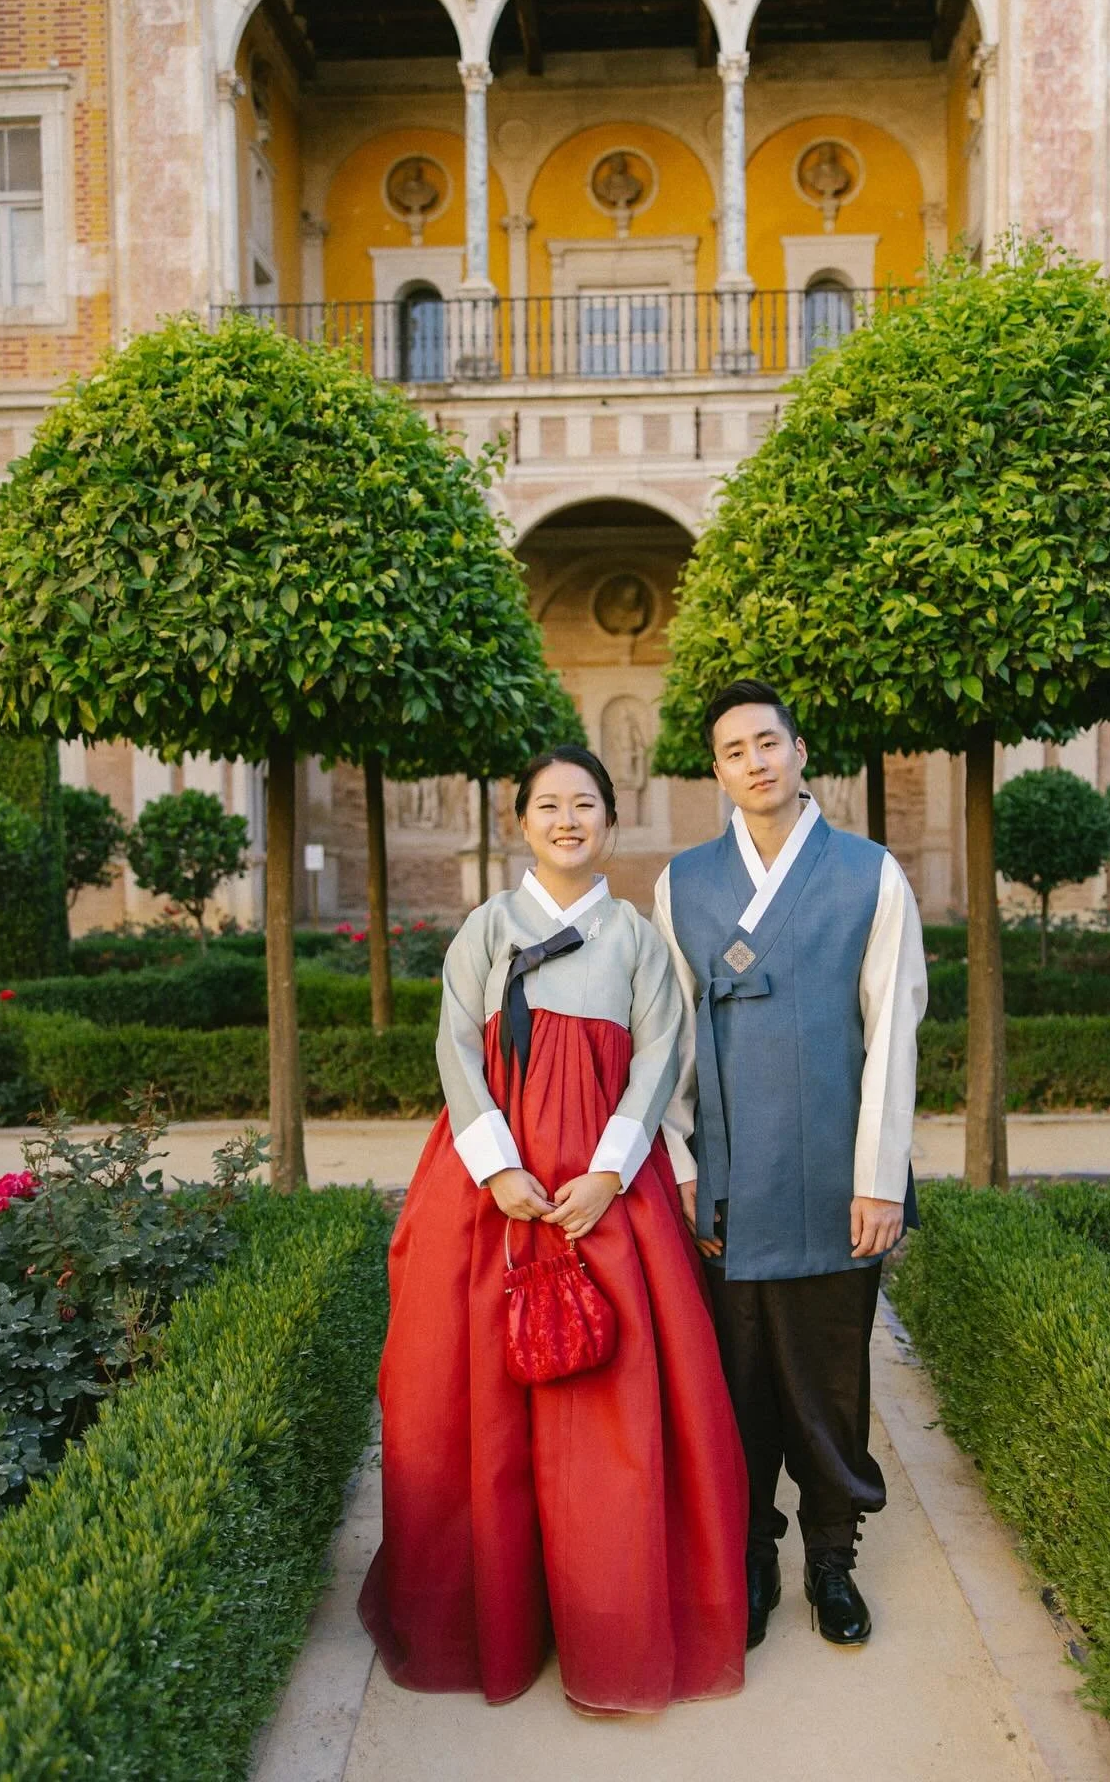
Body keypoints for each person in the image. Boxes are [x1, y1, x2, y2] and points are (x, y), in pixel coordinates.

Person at [359, 745, 747, 1715]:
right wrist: (498, 1168)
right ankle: (497, 1621)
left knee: (610, 1414)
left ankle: (608, 1628)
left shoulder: (636, 941)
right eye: (548, 806)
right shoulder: (486, 929)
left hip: (604, 1198)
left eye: (585, 805)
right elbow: (455, 1048)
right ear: (520, 823)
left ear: (611, 820)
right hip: (490, 1196)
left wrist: (610, 1172)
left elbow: (660, 1059)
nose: (568, 820)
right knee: (471, 1412)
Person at [651, 681, 927, 1651]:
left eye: (768, 743)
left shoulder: (868, 875)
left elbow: (893, 1031)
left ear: (800, 751)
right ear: (717, 771)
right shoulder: (684, 883)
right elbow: (669, 1040)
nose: (755, 762)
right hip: (728, 1183)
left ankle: (832, 1558)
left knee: (830, 1381)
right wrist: (680, 1163)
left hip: (835, 1184)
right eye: (734, 751)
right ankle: (751, 1555)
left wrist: (880, 1178)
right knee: (738, 1387)